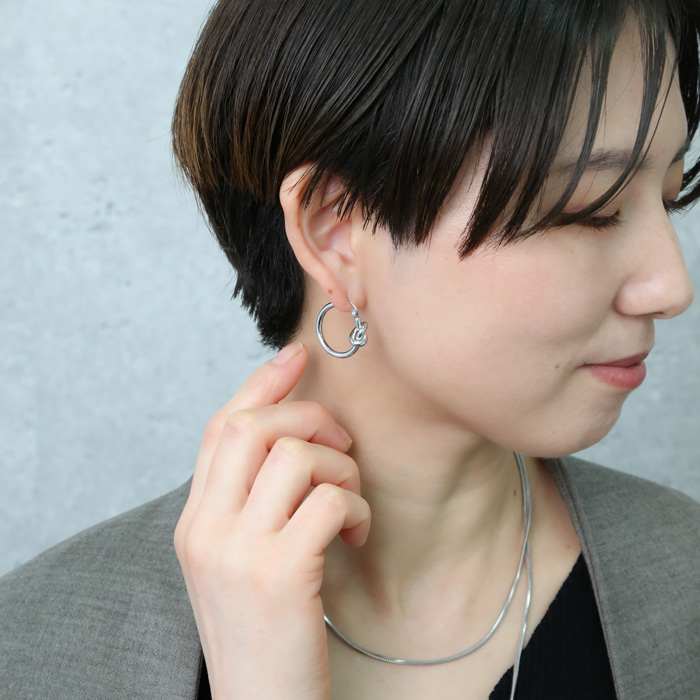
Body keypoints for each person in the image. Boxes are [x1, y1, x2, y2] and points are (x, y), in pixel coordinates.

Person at [1, 1, 700, 699]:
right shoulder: (37, 652)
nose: (671, 287)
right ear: (336, 230)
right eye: (591, 208)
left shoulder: (682, 590)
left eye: (669, 198)